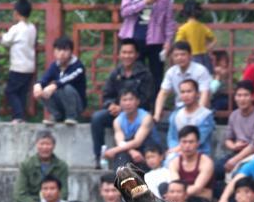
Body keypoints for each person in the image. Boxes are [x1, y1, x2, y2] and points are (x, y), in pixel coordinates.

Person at [90, 39, 154, 168]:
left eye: (130, 52)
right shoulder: (116, 73)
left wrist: (126, 106)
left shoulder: (145, 74)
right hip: (119, 113)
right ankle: (99, 156)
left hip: (137, 113)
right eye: (124, 52)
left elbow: (147, 98)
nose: (127, 56)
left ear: (136, 54)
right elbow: (107, 94)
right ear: (119, 54)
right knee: (97, 118)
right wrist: (111, 105)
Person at [118, 0, 176, 90]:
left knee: (156, 77)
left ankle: (155, 107)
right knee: (134, 75)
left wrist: (168, 42)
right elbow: (124, 12)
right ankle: (134, 106)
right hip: (133, 39)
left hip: (155, 41)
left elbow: (169, 20)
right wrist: (144, 3)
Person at [11, 130, 69, 202]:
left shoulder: (62, 166)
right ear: (37, 145)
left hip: (53, 201)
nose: (45, 147)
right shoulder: (26, 164)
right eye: (42, 144)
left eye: (48, 144)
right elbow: (19, 193)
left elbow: (64, 191)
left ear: (53, 146)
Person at [215, 80, 254, 180]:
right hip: (236, 152)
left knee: (238, 174)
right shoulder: (233, 115)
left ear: (252, 97)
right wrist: (234, 146)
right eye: (239, 95)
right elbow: (228, 139)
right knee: (215, 169)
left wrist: (235, 160)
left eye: (246, 95)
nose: (242, 99)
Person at [33, 35, 87, 125]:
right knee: (43, 89)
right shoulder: (55, 66)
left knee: (66, 87)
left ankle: (71, 116)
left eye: (65, 50)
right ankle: (56, 115)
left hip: (77, 104)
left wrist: (53, 86)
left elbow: (67, 79)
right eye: (58, 50)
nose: (61, 53)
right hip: (60, 103)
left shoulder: (78, 66)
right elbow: (45, 78)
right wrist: (38, 86)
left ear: (71, 52)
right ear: (54, 52)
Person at [153, 41, 211, 122]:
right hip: (179, 109)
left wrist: (197, 115)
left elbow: (204, 94)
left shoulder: (201, 70)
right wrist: (156, 115)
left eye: (183, 54)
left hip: (199, 108)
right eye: (176, 55)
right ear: (172, 58)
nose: (179, 58)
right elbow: (162, 94)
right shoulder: (171, 72)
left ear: (190, 55)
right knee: (172, 120)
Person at [102, 88, 158, 169]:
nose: (127, 103)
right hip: (129, 148)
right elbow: (120, 143)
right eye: (124, 100)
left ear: (137, 102)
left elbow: (138, 142)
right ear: (119, 103)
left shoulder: (146, 117)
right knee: (121, 155)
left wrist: (113, 150)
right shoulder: (117, 121)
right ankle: (122, 180)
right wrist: (131, 151)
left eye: (131, 99)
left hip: (148, 147)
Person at [0, 0, 36, 123]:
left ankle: (18, 116)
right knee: (22, 93)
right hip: (30, 67)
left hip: (18, 67)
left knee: (10, 91)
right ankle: (21, 117)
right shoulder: (32, 28)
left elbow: (5, 41)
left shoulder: (16, 28)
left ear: (16, 12)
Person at [168, 125, 214, 202]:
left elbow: (197, 187)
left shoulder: (206, 162)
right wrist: (177, 193)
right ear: (179, 143)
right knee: (164, 187)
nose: (187, 146)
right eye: (184, 142)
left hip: (200, 200)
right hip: (180, 198)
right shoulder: (174, 162)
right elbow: (176, 185)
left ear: (198, 143)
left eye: (191, 142)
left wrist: (177, 194)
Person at [166, 78, 215, 155]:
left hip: (199, 153)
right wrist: (174, 150)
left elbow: (200, 139)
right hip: (177, 152)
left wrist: (178, 149)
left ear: (197, 94)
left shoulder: (205, 115)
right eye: (182, 92)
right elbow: (172, 137)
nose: (186, 95)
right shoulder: (176, 115)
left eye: (189, 91)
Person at [175, 0, 216, 72]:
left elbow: (178, 44)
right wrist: (208, 48)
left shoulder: (183, 29)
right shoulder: (203, 27)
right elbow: (214, 40)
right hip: (204, 56)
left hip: (191, 57)